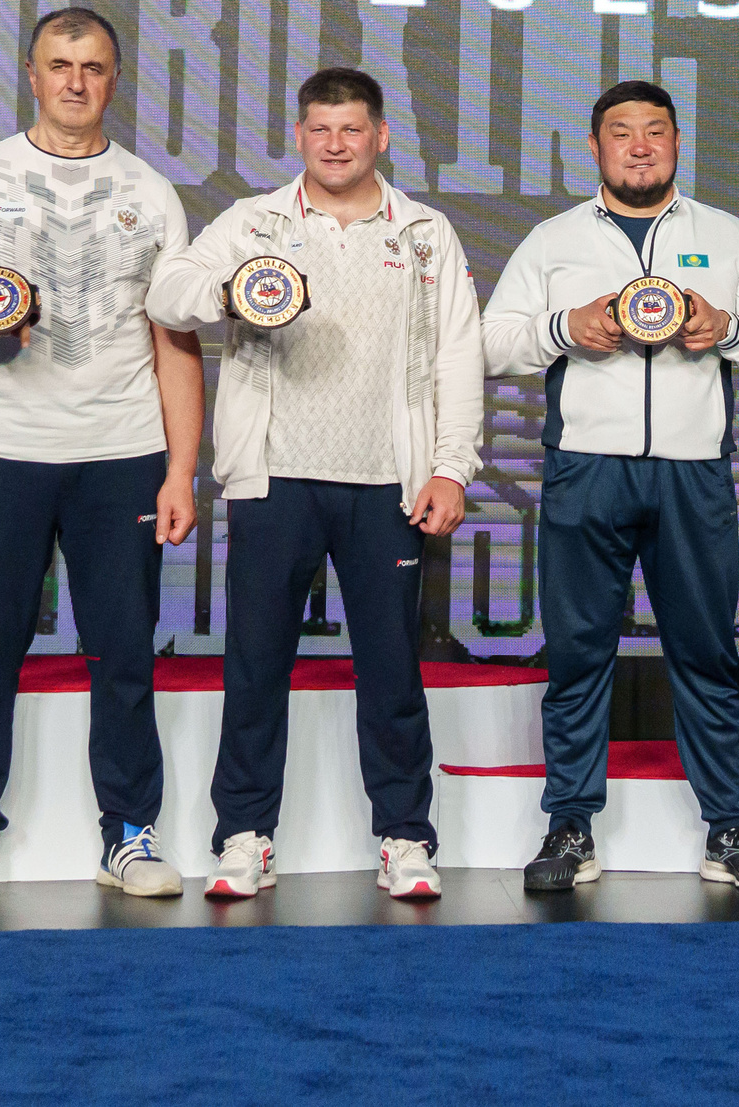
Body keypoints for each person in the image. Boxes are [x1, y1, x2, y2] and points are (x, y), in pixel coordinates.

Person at [148, 68, 482, 902]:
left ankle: (405, 836)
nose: (337, 144)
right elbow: (167, 292)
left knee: (393, 669)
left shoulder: (426, 232)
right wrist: (234, 291)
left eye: (353, 130)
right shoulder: (255, 221)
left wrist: (451, 465)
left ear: (381, 137)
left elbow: (458, 355)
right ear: (299, 136)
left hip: (386, 483)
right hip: (275, 477)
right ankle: (245, 836)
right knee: (255, 665)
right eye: (321, 130)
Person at [0, 9, 202, 903]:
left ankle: (131, 832)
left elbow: (175, 343)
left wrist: (182, 468)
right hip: (2, 447)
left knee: (125, 651)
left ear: (115, 79)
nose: (76, 81)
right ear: (32, 74)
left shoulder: (152, 191)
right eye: (60, 65)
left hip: (123, 454)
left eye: (95, 67)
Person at [482, 81, 739, 893]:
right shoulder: (554, 241)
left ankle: (729, 825)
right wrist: (564, 328)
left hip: (693, 470)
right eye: (623, 133)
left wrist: (728, 329)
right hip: (587, 467)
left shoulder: (724, 236)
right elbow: (490, 340)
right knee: (579, 653)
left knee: (706, 652)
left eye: (656, 131)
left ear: (678, 142)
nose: (641, 146)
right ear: (595, 147)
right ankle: (570, 825)